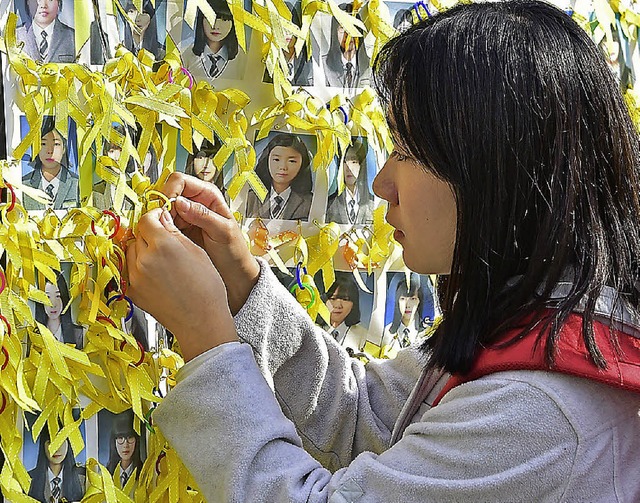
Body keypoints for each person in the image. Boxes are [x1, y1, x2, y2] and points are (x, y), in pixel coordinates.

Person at [126, 1, 640, 501]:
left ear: (495, 172)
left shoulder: (538, 415)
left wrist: (206, 336)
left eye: (407, 152)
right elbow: (366, 419)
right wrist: (240, 283)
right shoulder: (541, 319)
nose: (381, 183)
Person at [245, 133, 313, 221]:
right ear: (267, 160)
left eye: (292, 161)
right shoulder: (249, 198)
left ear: (302, 164)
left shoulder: (310, 202)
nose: (283, 167)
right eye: (276, 159)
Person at [366, 273, 429, 359]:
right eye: (403, 299)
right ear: (397, 301)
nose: (408, 305)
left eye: (412, 299)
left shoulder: (427, 332)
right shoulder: (384, 332)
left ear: (419, 301)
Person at [22, 117, 78, 210]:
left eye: (56, 144)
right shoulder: (24, 184)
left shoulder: (76, 183)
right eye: (43, 144)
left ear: (64, 148)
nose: (50, 151)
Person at [181, 0, 239, 82]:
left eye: (224, 19)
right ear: (201, 20)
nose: (216, 26)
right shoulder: (184, 55)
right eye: (209, 18)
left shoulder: (243, 59)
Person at [28, 427, 85, 502]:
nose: (56, 449)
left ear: (69, 444)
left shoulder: (83, 479)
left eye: (61, 442)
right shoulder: (28, 480)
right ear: (43, 446)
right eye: (50, 442)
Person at [262, 2, 313, 86]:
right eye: (282, 28)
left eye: (290, 27)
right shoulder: (269, 62)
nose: (287, 32)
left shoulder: (308, 64)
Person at [322, 2, 370, 89]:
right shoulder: (323, 65)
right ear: (334, 32)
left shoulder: (370, 67)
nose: (348, 34)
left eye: (353, 27)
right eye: (342, 29)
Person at [326, 139, 375, 224]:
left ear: (361, 165)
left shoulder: (373, 204)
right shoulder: (329, 204)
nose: (349, 168)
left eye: (354, 162)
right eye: (344, 162)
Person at [321, 272, 368, 355]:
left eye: (345, 299)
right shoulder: (314, 330)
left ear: (354, 304)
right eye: (332, 298)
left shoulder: (363, 335)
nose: (338, 305)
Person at [34, 272, 83, 348]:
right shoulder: (34, 335)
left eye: (57, 296)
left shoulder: (78, 334)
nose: (53, 304)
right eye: (48, 297)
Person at [106, 412, 143, 491]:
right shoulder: (104, 476)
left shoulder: (145, 475)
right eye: (120, 438)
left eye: (130, 437)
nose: (125, 444)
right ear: (114, 441)